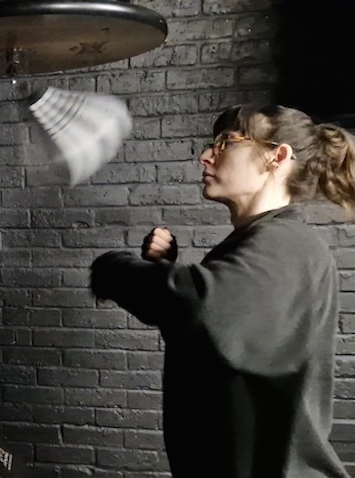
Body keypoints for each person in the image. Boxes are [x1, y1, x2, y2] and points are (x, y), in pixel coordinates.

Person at [89, 104, 355, 477]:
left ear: (277, 156)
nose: (205, 156)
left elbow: (197, 308)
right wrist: (167, 272)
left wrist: (112, 268)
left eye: (226, 142)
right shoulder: (262, 242)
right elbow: (217, 333)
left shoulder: (285, 243)